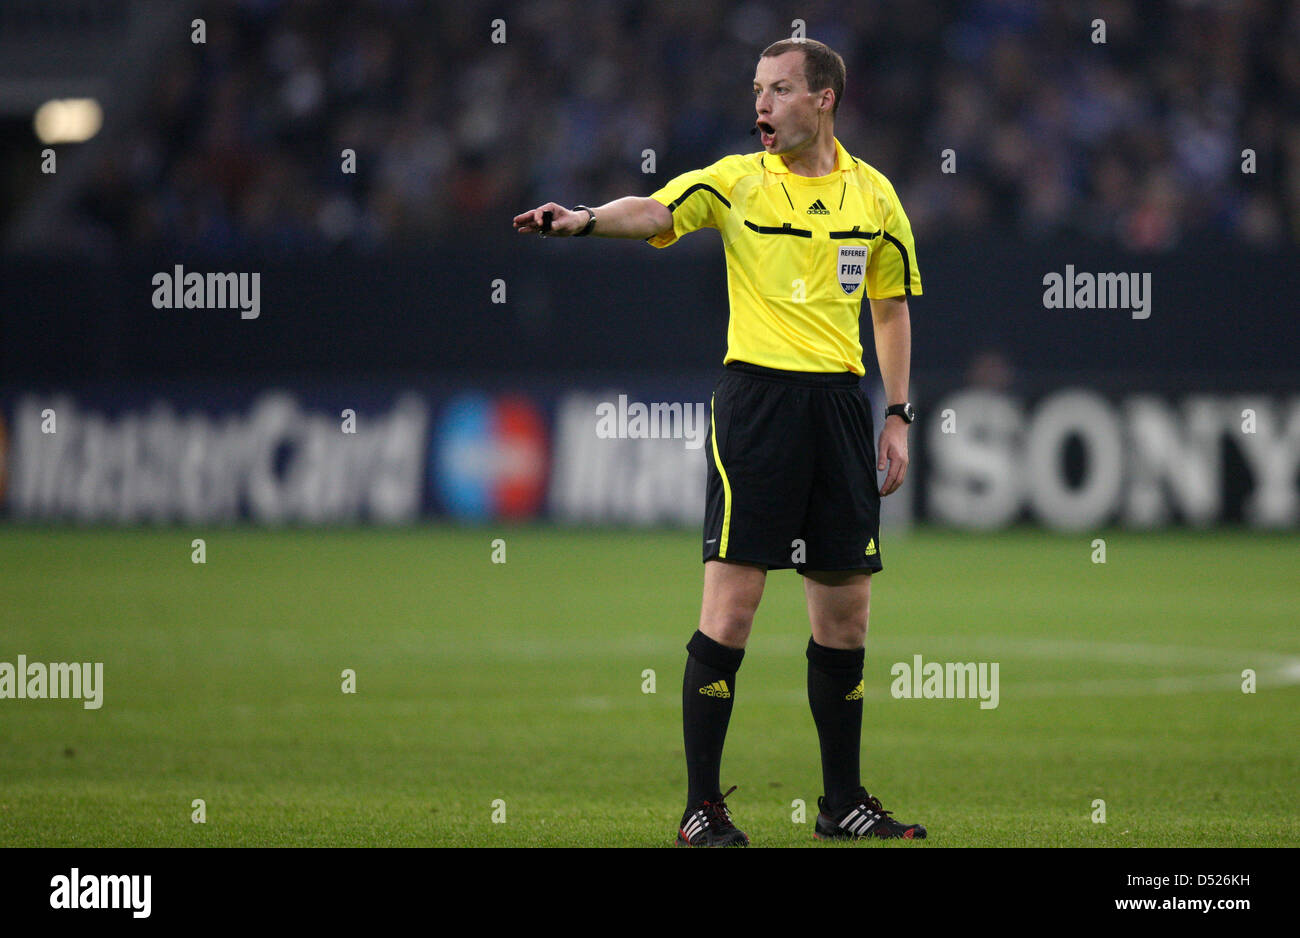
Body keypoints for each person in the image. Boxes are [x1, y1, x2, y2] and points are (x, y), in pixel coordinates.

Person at [513, 37, 925, 846]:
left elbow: (890, 308)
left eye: (778, 90)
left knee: (846, 618)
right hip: (757, 405)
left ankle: (841, 804)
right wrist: (587, 221)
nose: (761, 105)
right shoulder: (737, 181)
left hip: (841, 410)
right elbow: (660, 209)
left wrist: (898, 412)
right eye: (758, 91)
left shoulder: (875, 197)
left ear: (824, 99)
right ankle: (701, 809)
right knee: (732, 609)